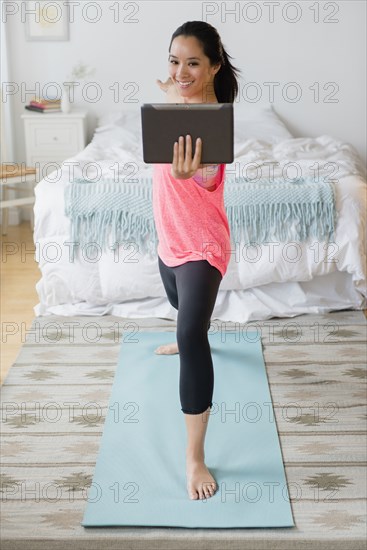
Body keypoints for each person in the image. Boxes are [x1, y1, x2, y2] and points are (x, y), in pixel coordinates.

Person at [152, 21, 241, 501]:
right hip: (168, 237)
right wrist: (172, 88)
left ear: (214, 67)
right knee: (175, 300)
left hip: (203, 245)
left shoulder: (212, 123)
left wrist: (195, 172)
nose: (181, 71)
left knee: (190, 333)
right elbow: (174, 87)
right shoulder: (173, 103)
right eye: (174, 60)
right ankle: (190, 330)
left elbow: (208, 176)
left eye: (192, 63)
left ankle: (195, 457)